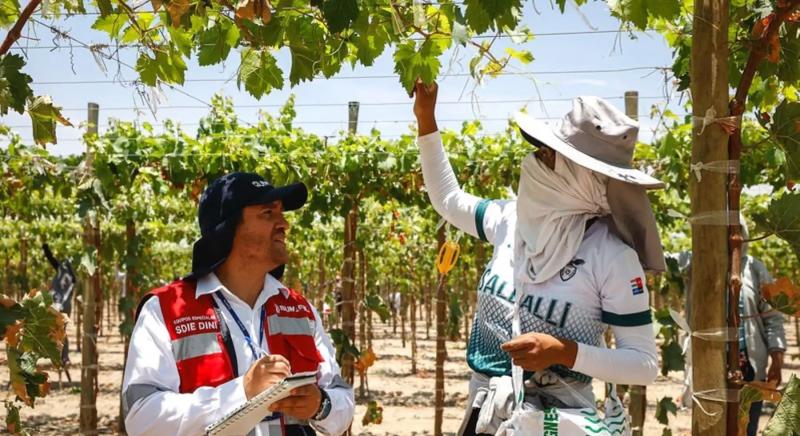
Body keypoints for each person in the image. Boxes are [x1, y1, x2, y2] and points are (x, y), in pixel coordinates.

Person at [413, 82, 663, 434]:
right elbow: (449, 201)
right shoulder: (509, 220)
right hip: (487, 415)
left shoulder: (610, 257)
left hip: (556, 422)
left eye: (548, 155)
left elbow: (643, 365)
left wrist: (563, 351)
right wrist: (426, 119)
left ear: (582, 178)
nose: (534, 160)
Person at [122, 172, 355, 436]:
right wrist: (242, 392)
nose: (284, 224)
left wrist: (321, 404)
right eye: (268, 213)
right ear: (228, 229)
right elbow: (141, 417)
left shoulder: (301, 311)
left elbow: (343, 399)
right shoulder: (165, 310)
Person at [676, 219, 786, 436]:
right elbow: (663, 261)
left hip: (749, 367)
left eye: (734, 231)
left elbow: (772, 316)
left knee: (745, 427)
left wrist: (777, 355)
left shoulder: (755, 268)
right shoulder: (694, 262)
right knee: (711, 425)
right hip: (710, 365)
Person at [43, 243, 75, 383]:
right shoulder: (73, 278)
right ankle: (64, 357)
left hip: (57, 305)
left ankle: (57, 354)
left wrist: (45, 247)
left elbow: (51, 258)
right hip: (66, 307)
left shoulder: (61, 270)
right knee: (62, 331)